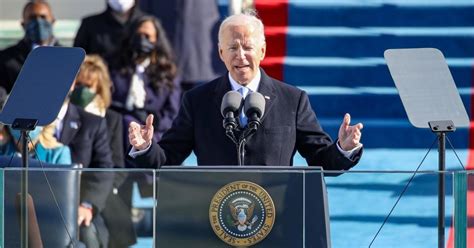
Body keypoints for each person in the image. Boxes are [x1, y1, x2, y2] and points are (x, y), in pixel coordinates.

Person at [128, 12, 364, 169]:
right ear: (221, 54)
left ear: (262, 51)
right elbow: (168, 158)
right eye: (232, 47)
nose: (241, 56)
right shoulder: (197, 100)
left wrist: (343, 148)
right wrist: (145, 148)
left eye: (248, 47)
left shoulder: (292, 99)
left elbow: (321, 158)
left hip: (276, 216)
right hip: (214, 215)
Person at [72, 55, 136, 247]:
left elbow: (117, 167)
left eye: (88, 86)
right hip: (68, 194)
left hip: (103, 199)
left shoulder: (112, 120)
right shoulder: (65, 118)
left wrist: (93, 197)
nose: (83, 90)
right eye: (79, 84)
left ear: (99, 89)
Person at [109, 15, 181, 143]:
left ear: (156, 40)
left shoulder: (167, 72)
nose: (142, 40)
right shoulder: (115, 67)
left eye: (147, 37)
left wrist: (152, 123)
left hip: (155, 133)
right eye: (138, 36)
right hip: (119, 131)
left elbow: (172, 113)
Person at [0, 0, 59, 93]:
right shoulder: (5, 58)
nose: (38, 22)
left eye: (43, 17)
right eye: (32, 18)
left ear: (53, 21)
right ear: (23, 24)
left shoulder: (70, 56)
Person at [73, 0, 147, 65]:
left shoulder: (148, 25)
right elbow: (76, 59)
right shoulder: (90, 24)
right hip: (99, 79)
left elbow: (156, 58)